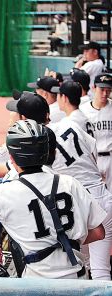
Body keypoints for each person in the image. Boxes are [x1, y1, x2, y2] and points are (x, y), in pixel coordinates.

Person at [0, 119, 106, 279]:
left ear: (12, 158)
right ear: (46, 153)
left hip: (38, 283)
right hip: (78, 280)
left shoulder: (4, 191)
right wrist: (66, 241)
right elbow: (99, 232)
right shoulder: (70, 183)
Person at [48, 80, 112, 280]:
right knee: (95, 266)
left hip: (82, 199)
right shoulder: (80, 116)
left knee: (85, 264)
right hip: (97, 186)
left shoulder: (69, 123)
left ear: (64, 98)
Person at [80, 73, 112, 192]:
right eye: (102, 89)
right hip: (93, 159)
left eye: (108, 90)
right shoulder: (83, 110)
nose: (105, 93)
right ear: (93, 88)